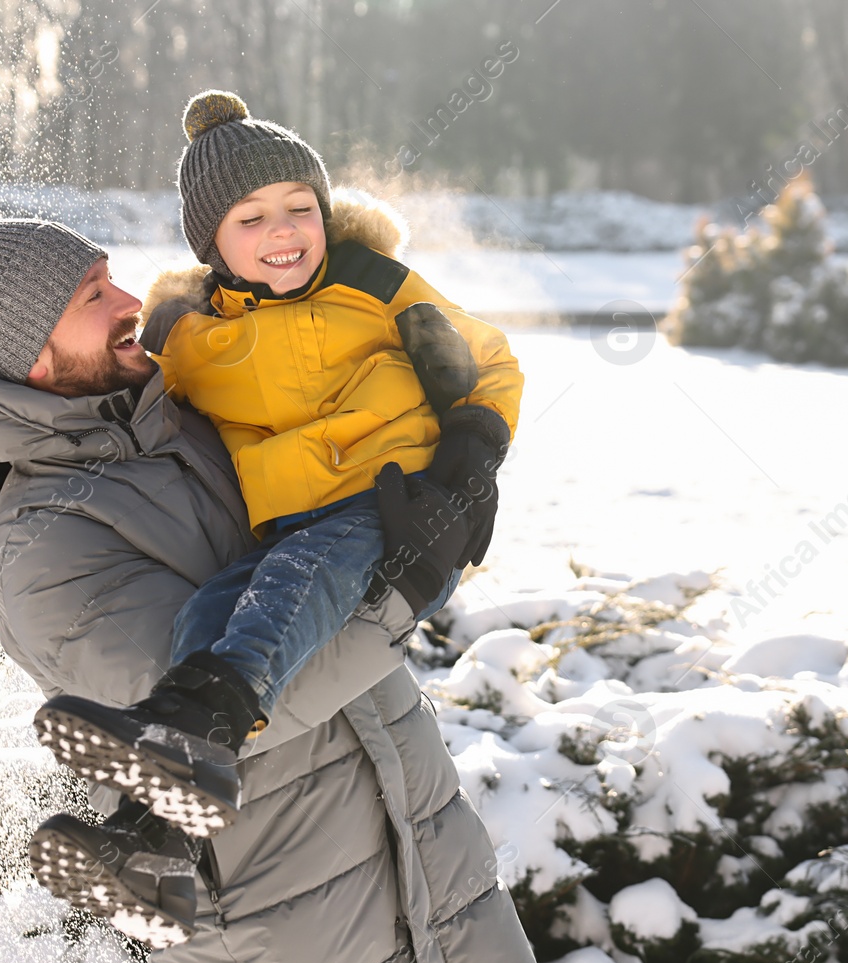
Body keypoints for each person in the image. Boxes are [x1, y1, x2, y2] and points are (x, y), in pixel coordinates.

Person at [0, 218, 545, 963]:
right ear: (33, 362)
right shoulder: (42, 548)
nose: (129, 301)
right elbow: (228, 722)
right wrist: (409, 586)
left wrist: (451, 437)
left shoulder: (194, 411)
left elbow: (322, 351)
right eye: (93, 297)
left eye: (110, 276)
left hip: (447, 931)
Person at [31, 89, 521, 843]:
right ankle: (152, 834)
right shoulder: (190, 339)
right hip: (286, 527)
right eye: (251, 219)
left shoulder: (375, 285)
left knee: (291, 585)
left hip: (397, 506)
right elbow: (124, 409)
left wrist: (472, 456)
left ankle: (212, 709)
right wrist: (9, 460)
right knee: (206, 612)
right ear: (211, 244)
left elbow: (487, 359)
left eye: (300, 207)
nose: (283, 231)